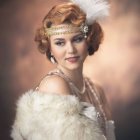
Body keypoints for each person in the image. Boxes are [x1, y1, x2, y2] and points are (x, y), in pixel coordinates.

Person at [11, 0, 116, 140]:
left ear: (88, 41)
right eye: (60, 43)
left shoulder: (97, 90)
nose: (71, 50)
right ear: (50, 49)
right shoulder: (55, 84)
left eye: (77, 39)